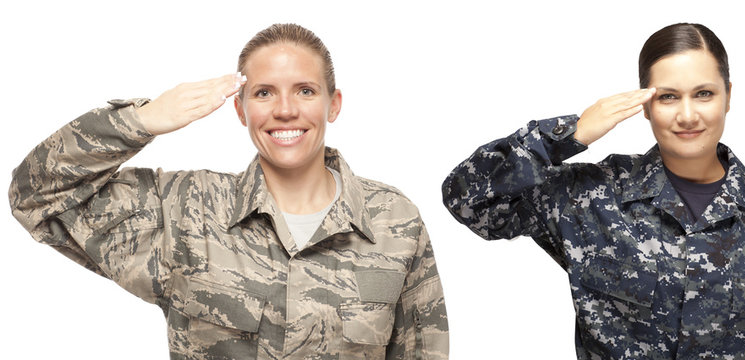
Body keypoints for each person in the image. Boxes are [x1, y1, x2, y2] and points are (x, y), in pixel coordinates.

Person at [10, 23, 448, 359]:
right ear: (240, 110)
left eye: (305, 90)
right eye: (263, 93)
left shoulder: (395, 221)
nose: (285, 109)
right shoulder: (183, 209)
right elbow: (36, 194)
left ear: (333, 103)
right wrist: (141, 121)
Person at [442, 23, 745, 359]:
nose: (687, 115)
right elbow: (469, 200)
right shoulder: (591, 196)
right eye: (667, 96)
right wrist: (564, 137)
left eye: (704, 93)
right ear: (644, 105)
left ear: (728, 96)